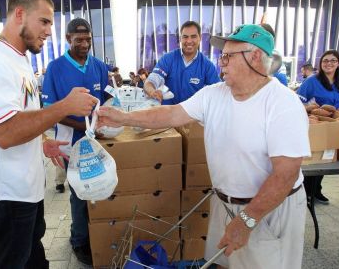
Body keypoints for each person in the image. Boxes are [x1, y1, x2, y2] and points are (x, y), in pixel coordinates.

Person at [98, 24, 310, 269]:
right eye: (222, 56)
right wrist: (122, 117)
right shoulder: (214, 94)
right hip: (225, 202)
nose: (222, 63)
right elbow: (170, 114)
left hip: (268, 209)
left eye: (229, 56)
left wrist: (247, 220)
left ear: (254, 58)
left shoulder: (283, 104)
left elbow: (285, 174)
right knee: (223, 262)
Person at [0, 0, 98, 269]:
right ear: (20, 14)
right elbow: (6, 132)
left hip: (24, 187)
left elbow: (21, 116)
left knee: (30, 257)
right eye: (45, 21)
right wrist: (64, 106)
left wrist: (40, 141)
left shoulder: (19, 59)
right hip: (5, 192)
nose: (49, 30)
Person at [42, 17, 108, 265]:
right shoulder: (56, 68)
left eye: (88, 39)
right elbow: (51, 110)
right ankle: (79, 240)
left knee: (100, 188)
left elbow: (107, 100)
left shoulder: (99, 66)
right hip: (71, 143)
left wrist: (106, 120)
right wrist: (84, 126)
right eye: (78, 39)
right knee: (80, 194)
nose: (84, 43)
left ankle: (99, 231)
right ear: (68, 39)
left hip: (98, 143)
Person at [297, 49, 339, 204]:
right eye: (325, 61)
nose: (329, 63)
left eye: (333, 60)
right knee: (315, 158)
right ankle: (307, 192)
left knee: (328, 158)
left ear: (338, 63)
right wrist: (310, 106)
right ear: (321, 64)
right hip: (317, 124)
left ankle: (316, 190)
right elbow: (298, 101)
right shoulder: (312, 81)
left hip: (336, 126)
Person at [144, 20, 220, 104]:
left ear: (200, 38)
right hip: (167, 114)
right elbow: (151, 81)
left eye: (193, 36)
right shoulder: (168, 59)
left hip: (193, 115)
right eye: (185, 37)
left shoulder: (207, 65)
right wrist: (152, 92)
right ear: (180, 39)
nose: (189, 41)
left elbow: (218, 90)